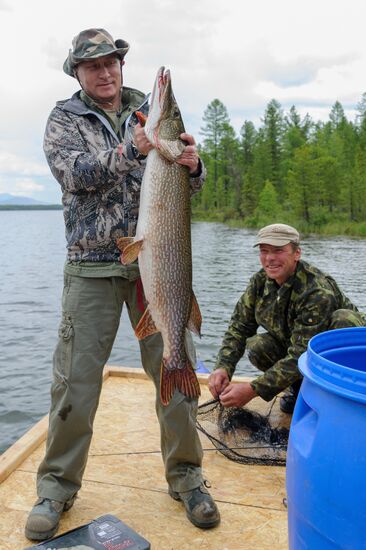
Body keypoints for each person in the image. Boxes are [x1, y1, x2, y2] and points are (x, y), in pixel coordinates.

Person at [25, 28, 220, 542]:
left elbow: (184, 181)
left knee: (175, 371)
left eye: (112, 62)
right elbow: (73, 176)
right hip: (91, 269)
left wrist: (194, 164)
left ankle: (188, 478)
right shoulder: (65, 119)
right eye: (94, 66)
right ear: (78, 74)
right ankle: (56, 489)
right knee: (75, 383)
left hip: (157, 266)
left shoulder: (148, 113)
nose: (106, 72)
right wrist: (133, 150)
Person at [208, 223, 366, 413]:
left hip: (341, 359)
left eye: (278, 251)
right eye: (264, 251)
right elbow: (239, 328)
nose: (269, 258)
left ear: (296, 253)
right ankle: (299, 389)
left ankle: (340, 397)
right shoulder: (259, 282)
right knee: (257, 346)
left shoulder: (317, 290)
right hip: (299, 349)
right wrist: (223, 367)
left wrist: (253, 389)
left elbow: (302, 353)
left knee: (343, 320)